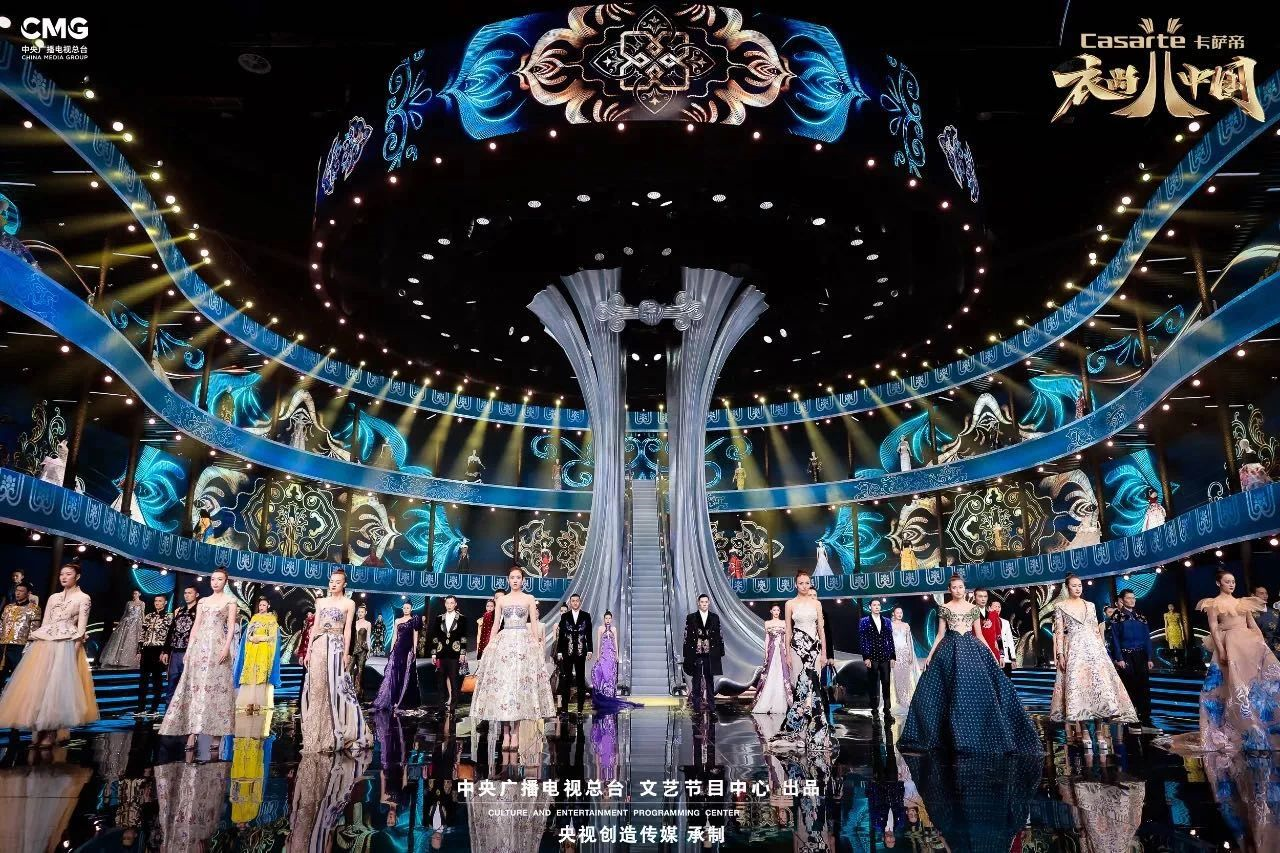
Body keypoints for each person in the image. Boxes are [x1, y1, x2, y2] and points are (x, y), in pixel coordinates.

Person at [899, 574, 1041, 753]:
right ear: (949, 589)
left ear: (964, 589)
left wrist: (992, 653)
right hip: (949, 649)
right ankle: (948, 735)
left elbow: (979, 634)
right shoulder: (944, 608)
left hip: (970, 649)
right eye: (954, 587)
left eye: (961, 587)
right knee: (943, 690)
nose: (958, 590)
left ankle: (979, 732)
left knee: (975, 689)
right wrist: (930, 654)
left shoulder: (973, 609)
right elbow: (940, 634)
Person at [1170, 570, 1280, 753]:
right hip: (1229, 644)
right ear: (1218, 583)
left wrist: (1262, 645)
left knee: (1255, 682)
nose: (1231, 584)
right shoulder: (1213, 604)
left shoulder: (1243, 602)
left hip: (1248, 645)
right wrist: (1221, 650)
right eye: (1227, 581)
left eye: (1233, 581)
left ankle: (1262, 725)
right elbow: (1214, 628)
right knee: (1230, 686)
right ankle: (1240, 727)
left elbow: (1252, 625)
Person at [0, 563, 98, 745]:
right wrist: (34, 647)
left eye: (68, 574)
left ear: (77, 576)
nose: (63, 577)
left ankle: (52, 729)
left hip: (66, 646)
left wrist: (73, 655)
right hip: (45, 646)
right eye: (61, 574)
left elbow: (81, 630)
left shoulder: (83, 598)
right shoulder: (54, 597)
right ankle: (38, 727)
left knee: (57, 687)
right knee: (41, 686)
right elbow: (45, 624)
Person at [468, 567, 556, 750]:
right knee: (504, 687)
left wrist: (536, 646)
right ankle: (505, 733)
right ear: (508, 580)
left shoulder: (529, 598)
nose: (515, 580)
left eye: (518, 577)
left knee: (518, 689)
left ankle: (515, 733)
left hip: (523, 644)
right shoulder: (501, 600)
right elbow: (495, 625)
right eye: (512, 577)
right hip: (505, 643)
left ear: (523, 580)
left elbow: (533, 625)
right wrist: (489, 646)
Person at [1051, 574, 1138, 752]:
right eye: (1074, 585)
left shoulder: (1090, 605)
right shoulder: (1060, 606)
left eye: (1079, 585)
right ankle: (1084, 730)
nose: (1078, 588)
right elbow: (1059, 632)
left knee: (1098, 688)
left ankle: (1099, 731)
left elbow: (1095, 629)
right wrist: (1060, 654)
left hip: (1094, 649)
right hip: (1074, 650)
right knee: (1080, 689)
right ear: (1067, 587)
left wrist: (1102, 651)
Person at [160, 568, 237, 751]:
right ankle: (192, 733)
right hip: (199, 647)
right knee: (196, 688)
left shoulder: (230, 601)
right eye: (213, 579)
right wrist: (189, 649)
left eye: (219, 579)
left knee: (217, 689)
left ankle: (217, 734)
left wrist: (226, 647)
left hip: (218, 646)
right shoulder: (203, 601)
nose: (215, 582)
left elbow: (231, 626)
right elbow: (196, 626)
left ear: (225, 581)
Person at [300, 570, 371, 753]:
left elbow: (348, 630)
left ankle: (335, 730)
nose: (333, 584)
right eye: (331, 581)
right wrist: (308, 651)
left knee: (335, 687)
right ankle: (315, 733)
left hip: (336, 646)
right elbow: (315, 627)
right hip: (319, 646)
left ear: (344, 584)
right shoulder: (321, 602)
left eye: (337, 582)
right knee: (317, 688)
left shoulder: (349, 603)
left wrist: (346, 653)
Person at [770, 572, 832, 752]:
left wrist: (824, 653)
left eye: (807, 583)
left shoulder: (816, 604)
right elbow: (788, 630)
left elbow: (821, 629)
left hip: (814, 649)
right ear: (796, 585)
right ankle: (799, 733)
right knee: (800, 689)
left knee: (813, 690)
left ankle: (813, 732)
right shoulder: (790, 604)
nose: (804, 586)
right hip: (797, 649)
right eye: (801, 583)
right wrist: (787, 654)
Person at [1108, 588, 1156, 729]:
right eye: (1129, 598)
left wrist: (1149, 657)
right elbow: (1114, 639)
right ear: (1122, 600)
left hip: (1141, 655)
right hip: (1126, 655)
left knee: (1144, 685)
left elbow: (1147, 638)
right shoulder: (1117, 617)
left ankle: (1145, 716)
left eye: (1133, 598)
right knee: (1130, 685)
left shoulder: (1140, 616)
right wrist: (1119, 658)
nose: (1132, 600)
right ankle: (1131, 716)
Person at [373, 601, 422, 713]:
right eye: (404, 608)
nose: (406, 609)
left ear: (411, 609)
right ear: (402, 609)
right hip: (398, 649)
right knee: (395, 673)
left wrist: (414, 651)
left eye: (408, 608)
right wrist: (391, 649)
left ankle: (402, 699)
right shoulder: (397, 620)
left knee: (405, 673)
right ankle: (393, 698)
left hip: (407, 649)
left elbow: (415, 636)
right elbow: (394, 635)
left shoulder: (414, 620)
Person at [234, 598, 281, 714]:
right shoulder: (254, 618)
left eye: (264, 605)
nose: (261, 607)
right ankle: (248, 701)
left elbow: (273, 636)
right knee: (251, 672)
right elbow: (248, 633)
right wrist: (251, 638)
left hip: (264, 648)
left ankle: (259, 702)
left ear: (268, 606)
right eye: (260, 605)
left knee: (261, 673)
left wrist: (260, 638)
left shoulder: (271, 619)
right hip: (252, 648)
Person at [590, 611, 641, 711]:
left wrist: (617, 655)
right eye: (606, 618)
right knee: (600, 672)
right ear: (604, 619)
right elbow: (599, 642)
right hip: (603, 655)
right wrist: (598, 655)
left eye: (609, 618)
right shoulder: (600, 628)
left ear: (611, 619)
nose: (608, 620)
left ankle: (610, 696)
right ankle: (602, 695)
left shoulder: (614, 629)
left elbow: (615, 642)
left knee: (610, 675)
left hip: (611, 656)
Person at [682, 593, 725, 714]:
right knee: (696, 681)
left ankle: (712, 707)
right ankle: (696, 707)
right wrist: (686, 654)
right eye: (702, 602)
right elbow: (686, 636)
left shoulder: (714, 617)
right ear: (698, 603)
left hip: (710, 653)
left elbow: (720, 635)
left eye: (706, 602)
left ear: (709, 603)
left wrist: (720, 652)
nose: (704, 604)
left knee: (710, 680)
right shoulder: (691, 617)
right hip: (696, 653)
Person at [429, 595, 469, 709]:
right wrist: (433, 653)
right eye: (447, 603)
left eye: (452, 603)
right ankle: (441, 706)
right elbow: (435, 636)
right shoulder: (439, 618)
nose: (449, 605)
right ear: (445, 604)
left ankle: (453, 706)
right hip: (441, 652)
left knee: (454, 679)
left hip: (454, 653)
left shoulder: (462, 618)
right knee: (440, 680)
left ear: (455, 604)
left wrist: (462, 652)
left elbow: (463, 637)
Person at [556, 593, 593, 714]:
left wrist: (590, 649)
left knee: (580, 680)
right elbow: (561, 635)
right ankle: (565, 709)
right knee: (566, 680)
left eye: (577, 601)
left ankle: (580, 710)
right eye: (573, 601)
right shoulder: (565, 616)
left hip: (581, 652)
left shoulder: (586, 615)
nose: (575, 603)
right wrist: (559, 651)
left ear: (580, 602)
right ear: (570, 602)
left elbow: (589, 634)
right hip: (567, 652)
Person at [751, 604, 792, 714]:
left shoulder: (783, 623)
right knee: (770, 673)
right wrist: (766, 653)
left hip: (781, 651)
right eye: (774, 610)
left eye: (778, 610)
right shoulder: (767, 623)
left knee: (781, 673)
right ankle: (767, 701)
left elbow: (786, 638)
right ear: (771, 611)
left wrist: (787, 651)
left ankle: (781, 702)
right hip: (772, 650)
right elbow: (767, 638)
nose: (776, 612)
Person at [162, 585, 198, 707]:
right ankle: (169, 709)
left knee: (188, 681)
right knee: (172, 681)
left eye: (190, 593)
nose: (187, 595)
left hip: (190, 651)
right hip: (175, 651)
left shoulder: (199, 612)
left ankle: (185, 709)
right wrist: (166, 651)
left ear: (196, 595)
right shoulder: (179, 611)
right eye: (185, 593)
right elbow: (171, 631)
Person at [860, 599, 896, 721]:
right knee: (873, 683)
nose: (877, 607)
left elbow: (890, 639)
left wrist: (892, 656)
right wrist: (866, 657)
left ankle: (887, 710)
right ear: (870, 607)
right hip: (872, 656)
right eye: (874, 605)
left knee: (886, 683)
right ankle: (874, 710)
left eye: (878, 605)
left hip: (885, 656)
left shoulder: (886, 621)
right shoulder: (864, 621)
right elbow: (863, 640)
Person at [0, 581, 40, 689]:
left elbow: (33, 632)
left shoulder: (34, 609)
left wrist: (27, 649)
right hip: (4, 645)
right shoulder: (8, 607)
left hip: (20, 647)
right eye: (17, 590)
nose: (17, 593)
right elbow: (1, 625)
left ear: (28, 593)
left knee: (17, 676)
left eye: (21, 591)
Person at [136, 594, 171, 715]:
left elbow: (169, 636)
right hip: (147, 649)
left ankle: (154, 708)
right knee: (143, 679)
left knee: (157, 680)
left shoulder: (169, 617)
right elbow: (142, 633)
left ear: (165, 603)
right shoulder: (149, 616)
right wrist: (139, 650)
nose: (157, 603)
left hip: (159, 649)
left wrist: (165, 651)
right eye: (156, 601)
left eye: (160, 601)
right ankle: (141, 707)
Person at [100, 589, 145, 668]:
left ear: (139, 594)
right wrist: (121, 622)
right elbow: (125, 613)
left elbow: (142, 613)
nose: (134, 595)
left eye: (136, 593)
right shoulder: (129, 603)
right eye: (133, 593)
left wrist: (144, 623)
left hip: (136, 623)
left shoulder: (142, 603)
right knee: (123, 640)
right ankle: (119, 660)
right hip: (127, 622)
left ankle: (131, 661)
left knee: (133, 640)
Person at [890, 606, 921, 713]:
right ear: (893, 613)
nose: (899, 614)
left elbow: (909, 641)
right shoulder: (890, 625)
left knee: (906, 676)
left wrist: (911, 654)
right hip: (895, 654)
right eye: (897, 612)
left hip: (905, 653)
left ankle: (906, 699)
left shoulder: (906, 625)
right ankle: (898, 700)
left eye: (901, 612)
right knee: (896, 676)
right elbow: (889, 642)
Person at [350, 605, 372, 699]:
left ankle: (358, 693)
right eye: (359, 612)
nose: (360, 613)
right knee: (349, 669)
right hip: (353, 649)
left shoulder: (368, 624)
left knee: (360, 671)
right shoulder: (353, 623)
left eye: (362, 612)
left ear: (365, 613)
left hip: (362, 650)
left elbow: (368, 638)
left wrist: (369, 650)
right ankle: (350, 691)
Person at [991, 599, 1017, 676]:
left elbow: (1010, 641)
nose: (997, 608)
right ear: (990, 608)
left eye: (999, 607)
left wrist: (1013, 658)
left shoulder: (1005, 622)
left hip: (1005, 658)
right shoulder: (986, 621)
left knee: (1007, 679)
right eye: (995, 606)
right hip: (992, 657)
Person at [974, 589, 1001, 662]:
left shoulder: (993, 614)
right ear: (974, 597)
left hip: (993, 653)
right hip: (977, 653)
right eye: (980, 596)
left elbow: (998, 636)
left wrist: (1001, 655)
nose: (983, 599)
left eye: (985, 596)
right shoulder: (971, 614)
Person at [1253, 586, 1279, 654]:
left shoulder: (1275, 612)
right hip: (1263, 650)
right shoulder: (1250, 614)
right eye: (1261, 593)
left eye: (1266, 593)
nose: (1265, 596)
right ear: (1253, 596)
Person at [1164, 603, 1187, 668]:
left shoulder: (1178, 614)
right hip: (1170, 632)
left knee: (1180, 647)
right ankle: (1175, 662)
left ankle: (1181, 662)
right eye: (1169, 607)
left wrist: (1182, 634)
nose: (1171, 608)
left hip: (1177, 631)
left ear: (1174, 607)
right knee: (1172, 648)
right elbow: (1166, 625)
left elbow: (1180, 624)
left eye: (1172, 606)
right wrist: (1166, 635)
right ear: (1168, 608)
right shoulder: (1166, 615)